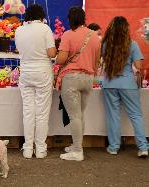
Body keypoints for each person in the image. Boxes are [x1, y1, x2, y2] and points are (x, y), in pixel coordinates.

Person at [56, 7, 101, 161]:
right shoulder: (94, 36)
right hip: (88, 79)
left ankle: (77, 151)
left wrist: (56, 57)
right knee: (80, 115)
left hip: (72, 79)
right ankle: (77, 146)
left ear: (70, 19)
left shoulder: (68, 35)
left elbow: (61, 59)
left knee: (74, 116)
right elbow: (97, 62)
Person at [101, 16, 148, 158]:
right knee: (136, 115)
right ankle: (143, 147)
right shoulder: (132, 44)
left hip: (109, 83)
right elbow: (139, 66)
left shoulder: (105, 45)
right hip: (128, 83)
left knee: (113, 116)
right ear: (125, 29)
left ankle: (114, 146)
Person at [15, 4, 57, 159]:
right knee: (42, 112)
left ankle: (27, 148)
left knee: (28, 111)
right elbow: (52, 53)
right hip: (42, 72)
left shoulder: (19, 30)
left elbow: (20, 50)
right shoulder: (45, 29)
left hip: (25, 72)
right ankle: (40, 149)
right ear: (41, 16)